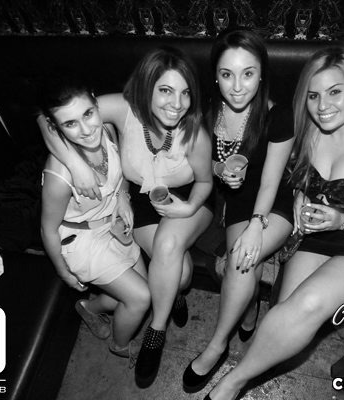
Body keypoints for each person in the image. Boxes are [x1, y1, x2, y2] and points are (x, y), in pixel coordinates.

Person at [203, 46, 344, 400]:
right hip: (317, 235)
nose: (323, 106)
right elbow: (294, 174)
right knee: (283, 315)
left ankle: (232, 383)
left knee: (307, 305)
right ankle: (246, 360)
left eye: (335, 92)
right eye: (313, 95)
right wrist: (299, 195)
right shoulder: (311, 131)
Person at [38, 47, 213, 388]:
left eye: (185, 92)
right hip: (143, 204)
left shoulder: (194, 133)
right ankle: (172, 293)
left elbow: (206, 183)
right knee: (179, 273)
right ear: (147, 88)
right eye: (165, 90)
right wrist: (74, 164)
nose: (177, 104)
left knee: (168, 248)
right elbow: (49, 117)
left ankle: (156, 330)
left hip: (189, 200)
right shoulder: (121, 110)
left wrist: (189, 207)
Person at [182, 27, 295, 393]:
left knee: (243, 259)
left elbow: (271, 183)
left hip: (274, 204)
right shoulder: (208, 113)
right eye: (227, 74)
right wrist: (221, 171)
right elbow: (204, 163)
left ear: (261, 74)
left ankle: (216, 346)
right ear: (216, 76)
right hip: (236, 204)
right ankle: (249, 307)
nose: (237, 86)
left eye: (248, 73)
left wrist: (257, 226)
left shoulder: (279, 116)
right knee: (245, 263)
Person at [38, 74, 150, 365]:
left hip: (113, 224)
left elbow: (122, 174)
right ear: (55, 127)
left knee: (138, 289)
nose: (86, 130)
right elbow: (48, 229)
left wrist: (123, 196)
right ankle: (120, 345)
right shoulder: (59, 176)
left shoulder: (108, 130)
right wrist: (63, 273)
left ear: (96, 103)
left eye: (88, 114)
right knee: (140, 298)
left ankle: (88, 308)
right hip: (82, 241)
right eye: (70, 124)